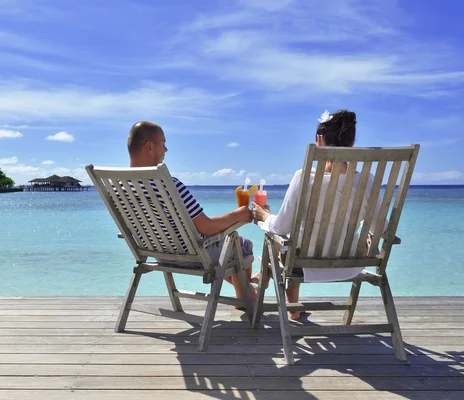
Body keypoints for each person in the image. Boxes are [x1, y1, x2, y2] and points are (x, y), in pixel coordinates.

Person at [252, 109, 385, 320]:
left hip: (303, 264)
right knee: (291, 240)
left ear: (318, 141)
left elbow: (281, 227)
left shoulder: (303, 177)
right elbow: (381, 229)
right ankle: (290, 303)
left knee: (281, 239)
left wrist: (264, 216)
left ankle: (274, 284)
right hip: (352, 264)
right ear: (351, 145)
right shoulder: (366, 181)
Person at [127, 121, 256, 306]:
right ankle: (244, 297)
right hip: (192, 256)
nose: (166, 150)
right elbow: (207, 227)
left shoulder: (119, 188)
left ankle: (247, 291)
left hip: (157, 255)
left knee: (230, 250)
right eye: (163, 143)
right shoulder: (168, 184)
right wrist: (238, 215)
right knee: (243, 245)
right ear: (149, 147)